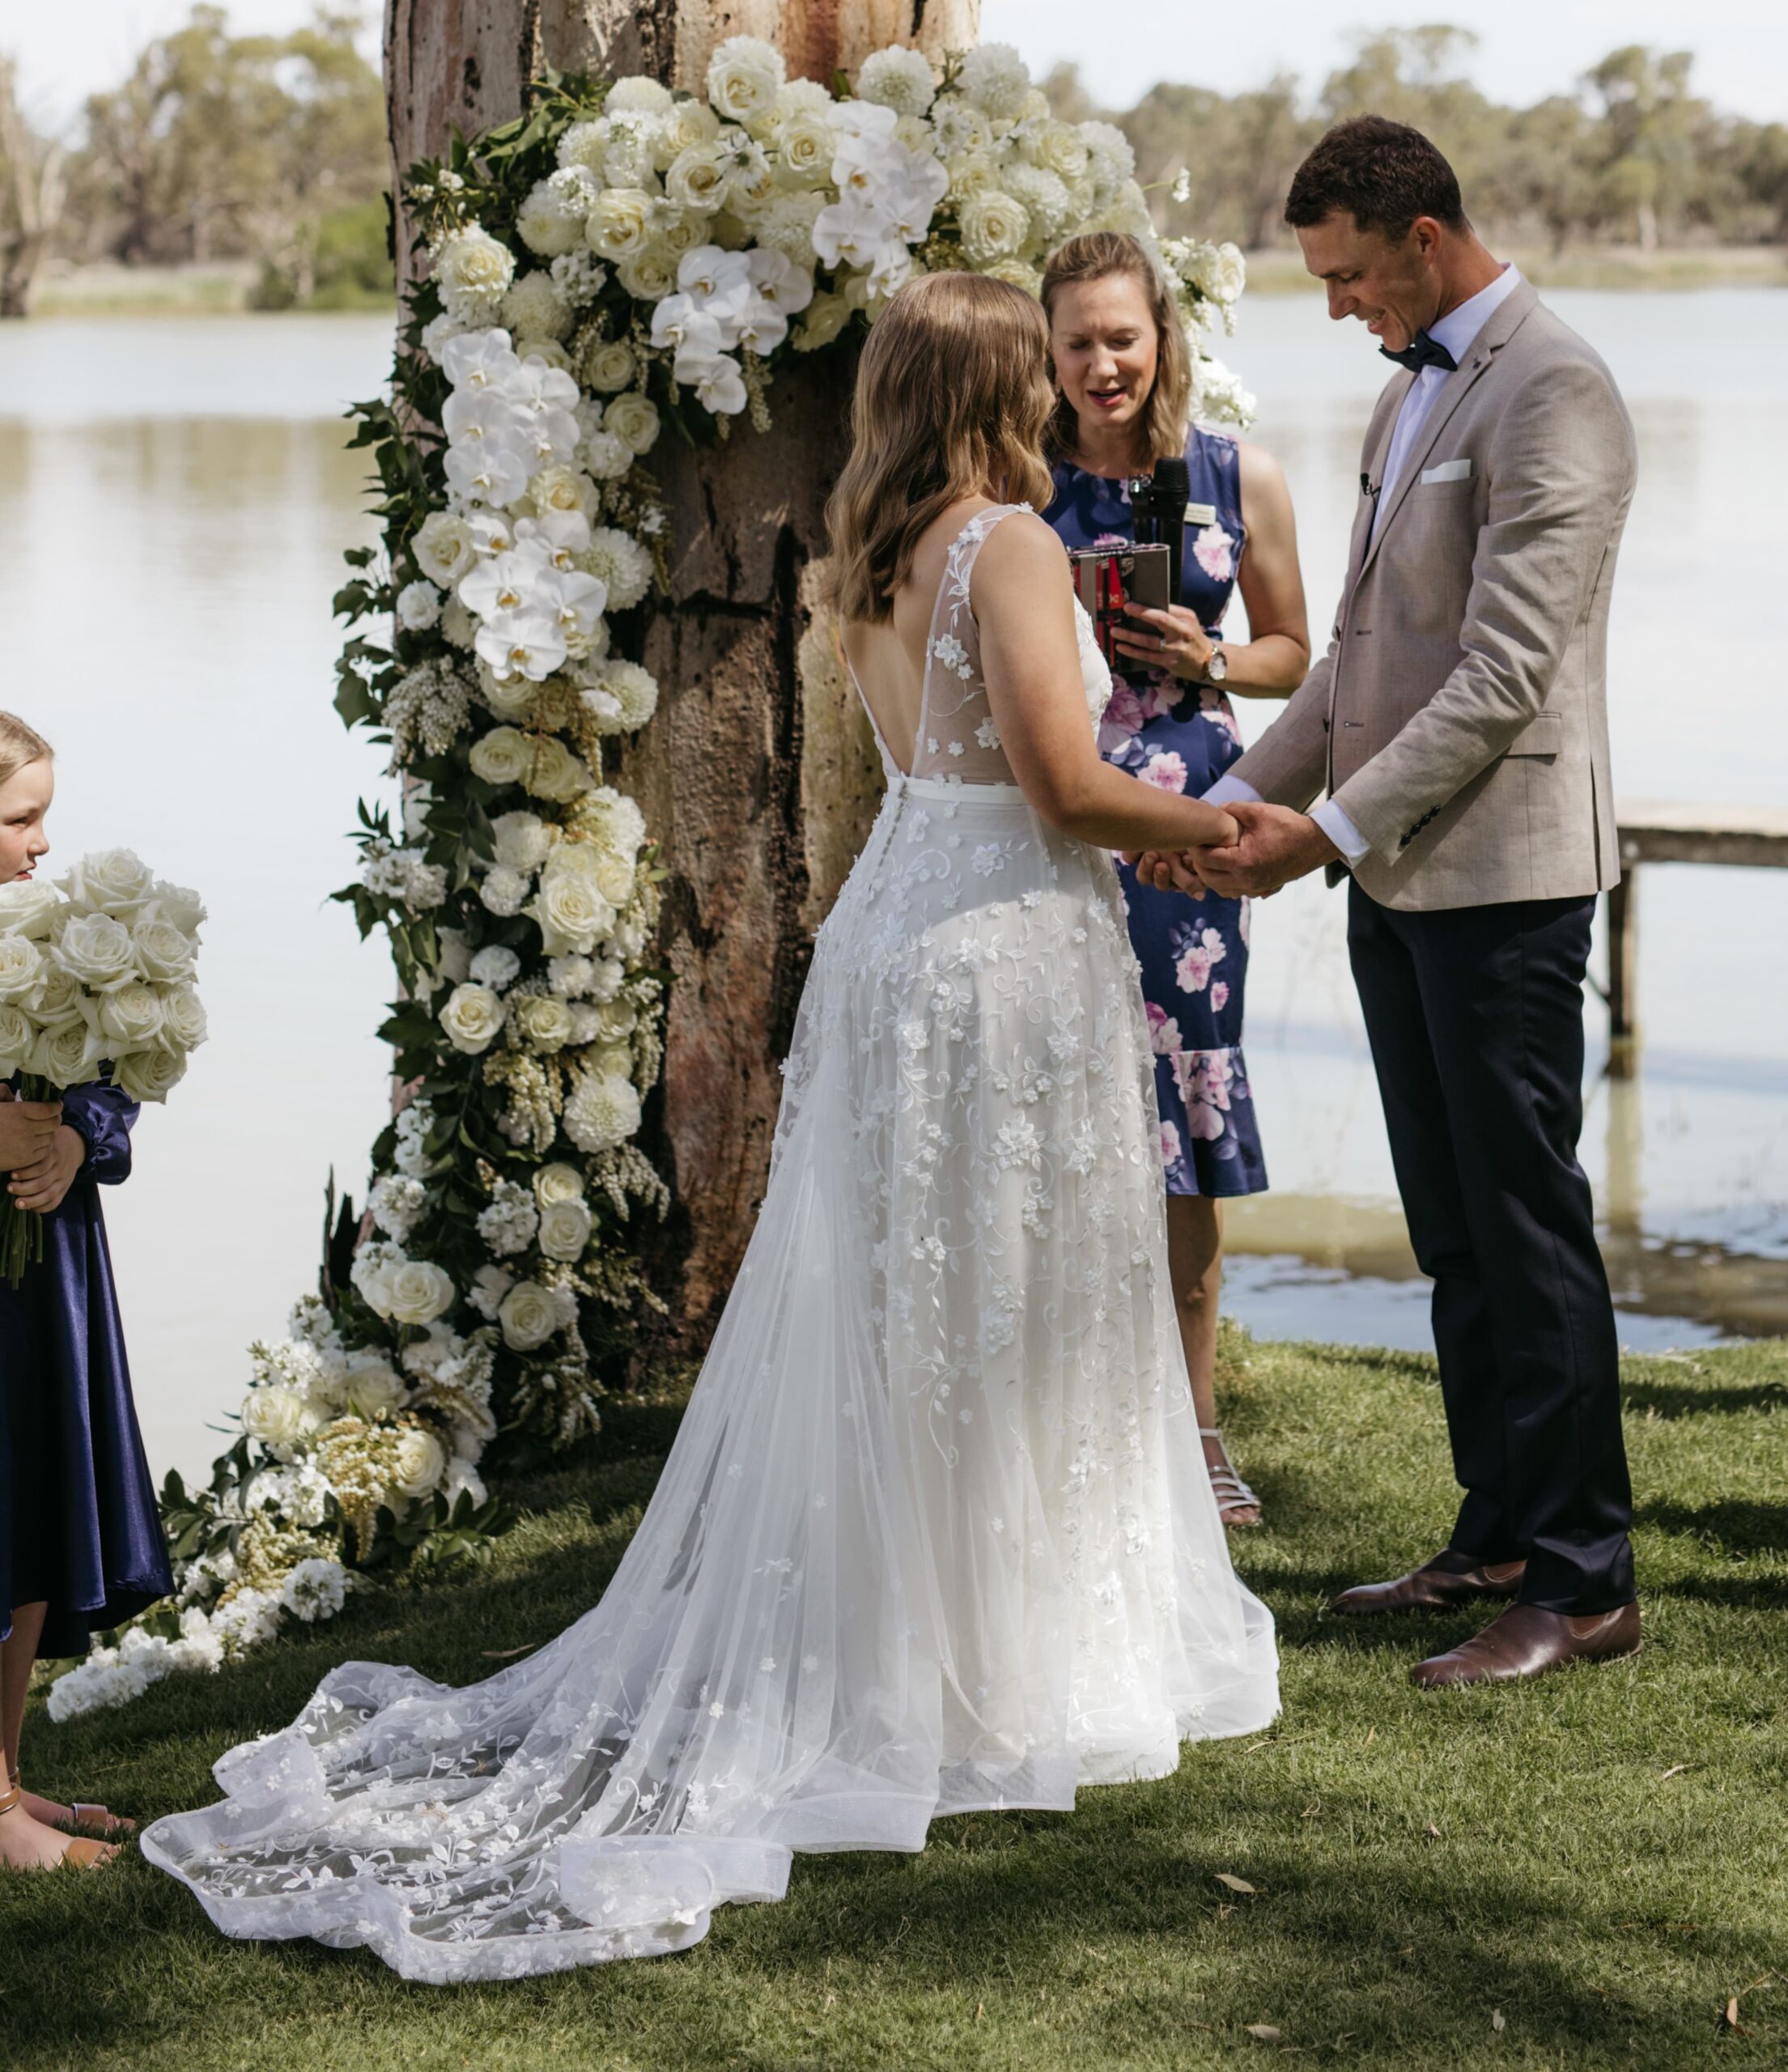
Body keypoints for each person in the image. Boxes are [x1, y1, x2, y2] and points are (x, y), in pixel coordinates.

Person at [143, 272, 1279, 1981]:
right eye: (1034, 371)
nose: (1062, 391)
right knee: (1011, 1287)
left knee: (916, 1304)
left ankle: (925, 1632)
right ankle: (1004, 1652)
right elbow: (1058, 784)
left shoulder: (873, 556)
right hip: (996, 949)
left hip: (902, 927)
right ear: (993, 388)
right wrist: (1217, 822)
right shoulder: (1013, 547)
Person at [1135, 117, 1640, 1688]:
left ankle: (1584, 1576)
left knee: (1527, 1224)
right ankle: (1494, 1535)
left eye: (1350, 276)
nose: (1342, 307)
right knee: (1452, 1231)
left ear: (1421, 238)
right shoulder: (1403, 393)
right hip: (1399, 874)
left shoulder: (1556, 391)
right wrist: (1238, 801)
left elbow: (1499, 677)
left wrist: (1324, 830)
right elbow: (1354, 664)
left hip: (1505, 882)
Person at [1040, 231, 1310, 1528]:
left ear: (1164, 338)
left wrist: (1209, 658)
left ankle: (1197, 1431)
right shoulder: (1009, 487)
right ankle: (1056, 1422)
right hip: (1046, 819)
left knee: (1185, 1123)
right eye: (1080, 340)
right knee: (1049, 1110)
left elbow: (1296, 655)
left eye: (1122, 337)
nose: (1103, 363)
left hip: (1191, 830)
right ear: (1046, 348)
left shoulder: (1234, 474)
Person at [0, 712, 172, 1871]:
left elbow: (112, 1082)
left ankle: (4, 1782)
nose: (43, 843)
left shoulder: (56, 939)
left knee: (25, 1513)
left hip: (43, 1266)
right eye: (21, 817)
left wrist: (75, 1139)